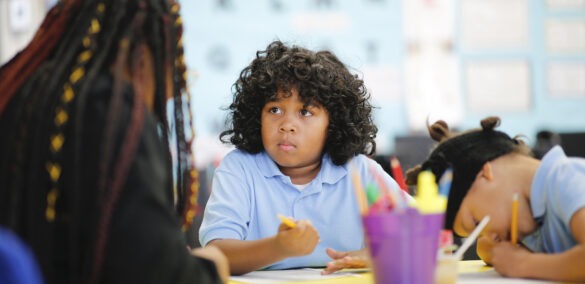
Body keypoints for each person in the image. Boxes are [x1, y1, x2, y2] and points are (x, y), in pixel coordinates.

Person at [0, 0, 228, 284]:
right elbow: (157, 272)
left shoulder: (14, 90)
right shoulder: (112, 112)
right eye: (173, 60)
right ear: (146, 56)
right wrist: (213, 267)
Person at [198, 40, 408, 275]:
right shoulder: (239, 168)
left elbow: (419, 233)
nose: (287, 125)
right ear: (257, 115)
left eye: (305, 112)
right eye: (274, 110)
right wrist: (278, 247)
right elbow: (217, 253)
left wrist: (379, 255)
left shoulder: (361, 172)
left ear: (334, 122)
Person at [405, 116, 585, 282]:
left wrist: (524, 263)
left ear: (485, 174)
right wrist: (495, 250)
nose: (490, 235)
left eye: (477, 223)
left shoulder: (565, 178)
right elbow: (486, 249)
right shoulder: (530, 217)